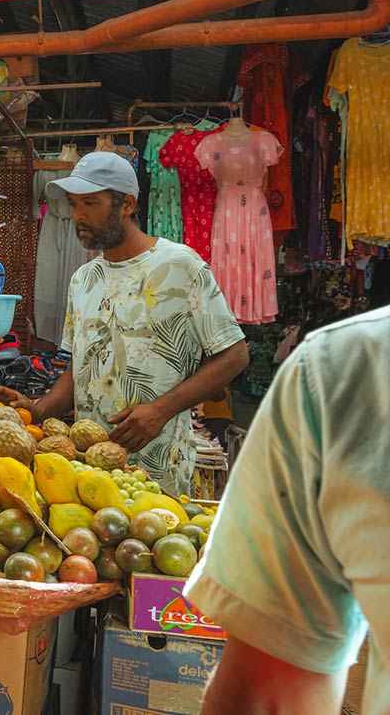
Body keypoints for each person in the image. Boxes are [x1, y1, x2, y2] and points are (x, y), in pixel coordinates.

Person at [0, 152, 248, 496]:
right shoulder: (84, 279)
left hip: (159, 466)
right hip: (92, 469)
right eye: (73, 203)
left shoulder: (181, 266)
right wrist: (36, 410)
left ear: (126, 204)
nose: (77, 215)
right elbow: (79, 366)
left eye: (90, 203)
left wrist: (160, 410)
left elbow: (235, 356)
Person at [185, 305, 389, 714]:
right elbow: (268, 689)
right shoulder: (345, 376)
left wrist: (160, 409)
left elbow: (265, 693)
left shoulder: (343, 371)